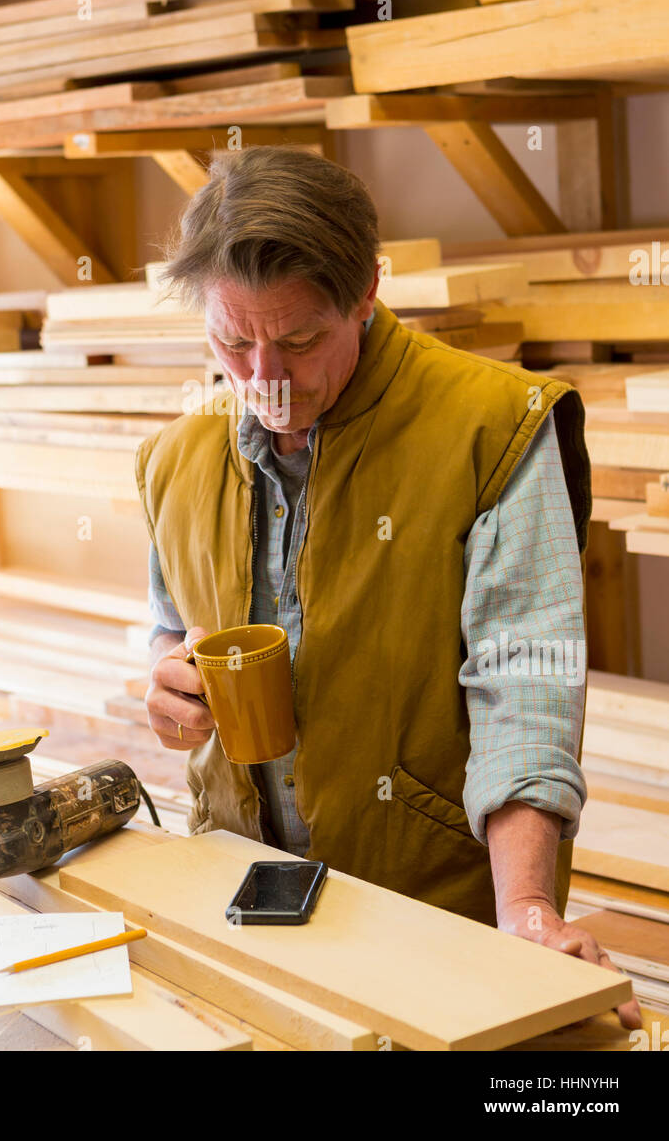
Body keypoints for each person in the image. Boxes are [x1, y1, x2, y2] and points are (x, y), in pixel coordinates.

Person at [136, 145, 639, 1028]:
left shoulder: (491, 432)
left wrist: (524, 910)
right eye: (232, 342)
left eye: (298, 341)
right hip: (240, 906)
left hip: (436, 925)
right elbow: (169, 627)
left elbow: (526, 688)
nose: (264, 381)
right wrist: (166, 681)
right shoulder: (174, 462)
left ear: (366, 292)